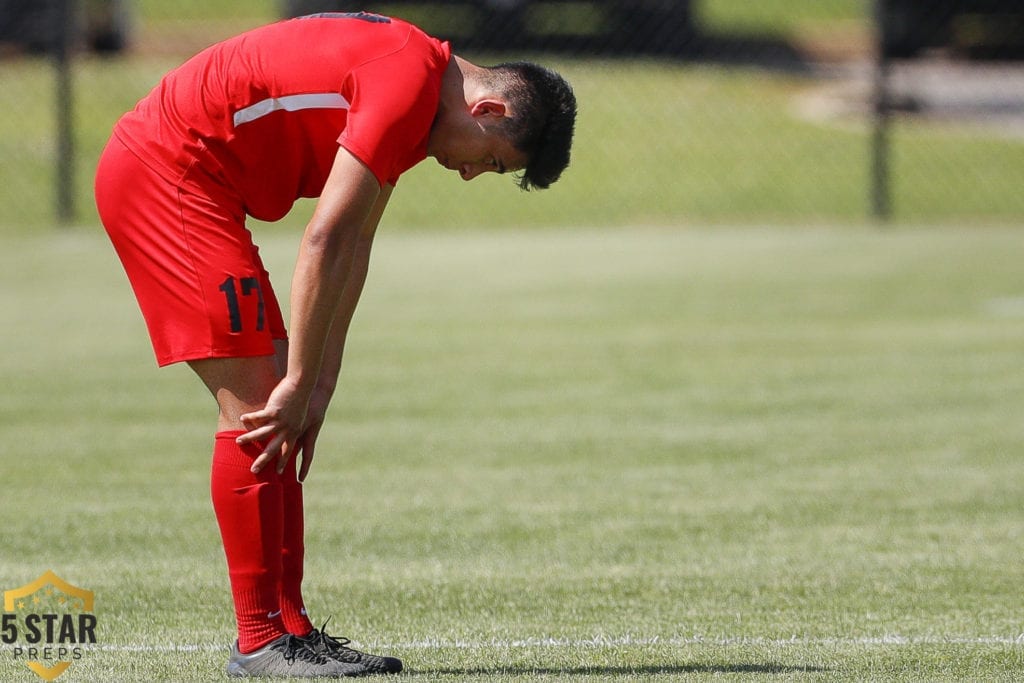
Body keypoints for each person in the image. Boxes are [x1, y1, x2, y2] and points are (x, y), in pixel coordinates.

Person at [94, 10, 576, 679]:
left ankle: (290, 628)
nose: (471, 174)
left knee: (281, 404)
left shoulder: (420, 98)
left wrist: (318, 380)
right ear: (487, 108)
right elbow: (322, 237)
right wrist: (293, 381)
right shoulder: (406, 83)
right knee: (261, 403)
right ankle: (260, 639)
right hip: (166, 175)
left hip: (199, 182)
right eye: (490, 161)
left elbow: (356, 241)